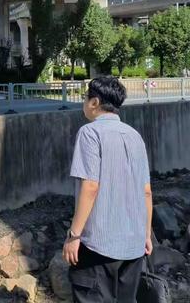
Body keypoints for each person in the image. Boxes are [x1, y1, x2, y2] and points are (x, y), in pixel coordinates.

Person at [62, 76, 153, 303]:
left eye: (85, 98)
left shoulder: (90, 132)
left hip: (98, 245)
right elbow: (146, 191)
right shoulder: (135, 136)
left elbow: (90, 186)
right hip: (134, 243)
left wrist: (74, 235)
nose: (84, 103)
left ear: (94, 102)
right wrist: (146, 233)